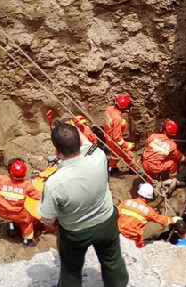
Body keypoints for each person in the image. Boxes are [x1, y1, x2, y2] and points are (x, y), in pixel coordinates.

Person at [40, 123, 129, 287]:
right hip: (106, 221)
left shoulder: (54, 183)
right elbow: (86, 142)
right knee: (112, 260)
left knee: (71, 270)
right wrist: (74, 129)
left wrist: (54, 226)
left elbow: (47, 219)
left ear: (56, 150)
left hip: (75, 232)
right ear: (79, 143)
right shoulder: (98, 156)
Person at [0, 158, 41, 246]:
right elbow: (37, 196)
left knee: (10, 218)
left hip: (2, 211)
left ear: (10, 171)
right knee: (27, 222)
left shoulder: (1, 180)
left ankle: (12, 229)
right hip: (18, 214)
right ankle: (27, 241)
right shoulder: (26, 185)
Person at [117, 182, 180, 248]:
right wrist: (172, 220)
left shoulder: (125, 202)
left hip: (118, 235)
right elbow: (160, 219)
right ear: (149, 198)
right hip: (134, 240)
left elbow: (114, 214)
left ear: (138, 193)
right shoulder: (148, 211)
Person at [141, 119, 185, 188]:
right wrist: (185, 159)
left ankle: (150, 183)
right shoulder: (172, 145)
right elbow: (178, 156)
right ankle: (171, 182)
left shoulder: (153, 136)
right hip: (154, 167)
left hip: (144, 163)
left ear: (163, 129)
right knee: (173, 163)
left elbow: (147, 145)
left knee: (151, 176)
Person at [104, 94, 137, 173]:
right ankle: (134, 169)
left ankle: (112, 168)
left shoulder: (109, 109)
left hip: (108, 135)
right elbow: (117, 139)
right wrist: (127, 145)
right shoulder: (117, 119)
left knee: (115, 154)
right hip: (114, 140)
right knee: (128, 155)